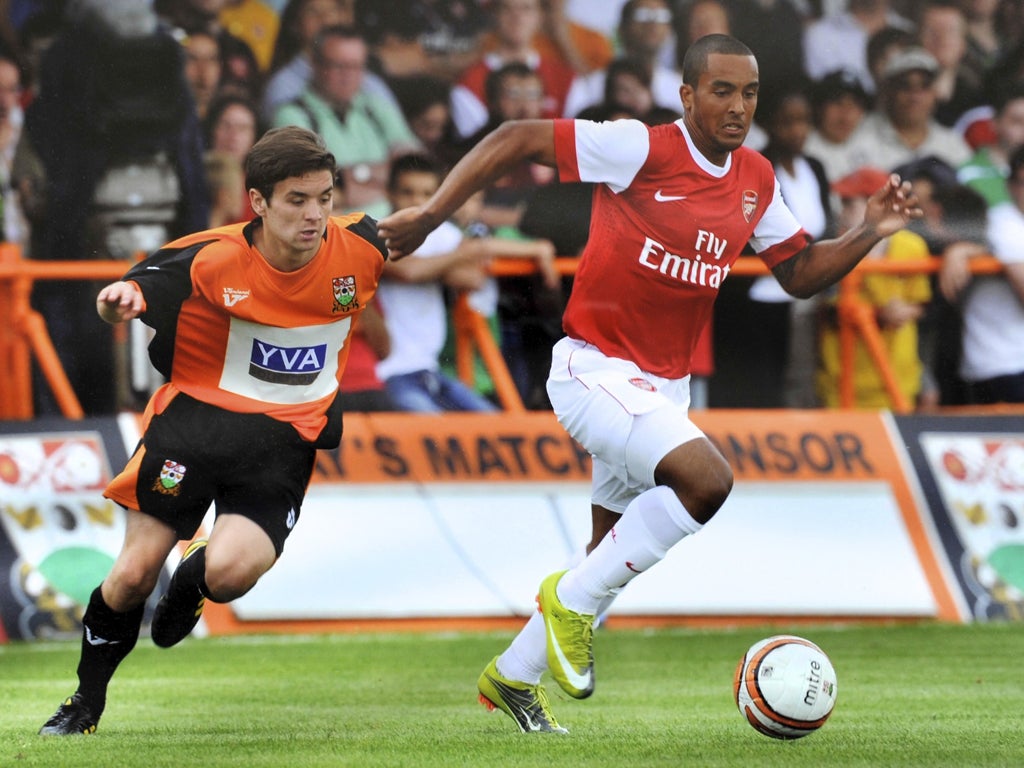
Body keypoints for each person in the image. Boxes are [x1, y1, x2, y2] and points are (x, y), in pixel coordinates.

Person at [378, 33, 922, 733]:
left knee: (605, 560)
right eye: (721, 90)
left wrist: (867, 231)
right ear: (687, 95)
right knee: (707, 483)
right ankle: (566, 605)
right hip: (594, 371)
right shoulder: (639, 147)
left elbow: (796, 272)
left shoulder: (755, 177)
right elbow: (516, 137)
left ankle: (513, 677)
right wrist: (429, 216)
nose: (736, 106)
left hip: (665, 387)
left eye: (748, 92)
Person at [37, 125, 388, 736]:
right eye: (297, 200)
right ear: (258, 201)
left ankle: (193, 580)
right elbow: (133, 289)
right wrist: (115, 301)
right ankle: (84, 703)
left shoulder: (360, 244)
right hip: (192, 431)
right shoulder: (210, 255)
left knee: (229, 576)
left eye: (325, 198)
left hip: (281, 443)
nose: (315, 215)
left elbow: (415, 224)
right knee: (130, 576)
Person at [374, 153, 499, 413]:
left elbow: (472, 277)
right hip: (389, 374)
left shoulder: (443, 235)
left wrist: (424, 268)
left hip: (430, 370)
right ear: (389, 193)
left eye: (427, 194)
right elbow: (410, 273)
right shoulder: (374, 233)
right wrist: (461, 255)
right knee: (436, 441)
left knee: (494, 425)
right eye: (407, 192)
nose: (417, 202)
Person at [272, 24, 421, 220]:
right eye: (339, 66)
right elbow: (318, 187)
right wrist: (388, 178)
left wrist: (353, 177)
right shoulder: (292, 115)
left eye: (356, 66)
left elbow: (416, 166)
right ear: (315, 64)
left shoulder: (374, 106)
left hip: (396, 225)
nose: (348, 76)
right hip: (334, 232)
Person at [815, 167, 932, 408]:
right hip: (843, 383)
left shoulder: (912, 246)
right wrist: (880, 314)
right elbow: (828, 312)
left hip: (897, 378)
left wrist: (905, 311)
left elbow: (921, 302)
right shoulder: (832, 247)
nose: (843, 211)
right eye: (843, 202)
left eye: (850, 203)